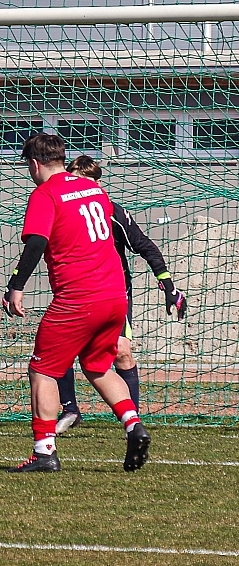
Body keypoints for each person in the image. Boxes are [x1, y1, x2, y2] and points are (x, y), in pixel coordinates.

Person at [2, 133, 150, 474]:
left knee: (42, 370)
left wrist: (16, 286)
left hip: (79, 298)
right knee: (97, 366)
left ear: (34, 164)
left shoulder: (45, 194)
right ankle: (133, 425)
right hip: (115, 295)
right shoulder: (94, 188)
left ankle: (44, 452)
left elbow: (36, 243)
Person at [55, 154, 187, 433]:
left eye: (84, 182)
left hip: (113, 292)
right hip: (76, 291)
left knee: (122, 353)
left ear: (97, 184)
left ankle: (132, 421)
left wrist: (168, 285)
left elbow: (145, 246)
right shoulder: (62, 209)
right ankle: (70, 409)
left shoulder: (112, 212)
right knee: (60, 348)